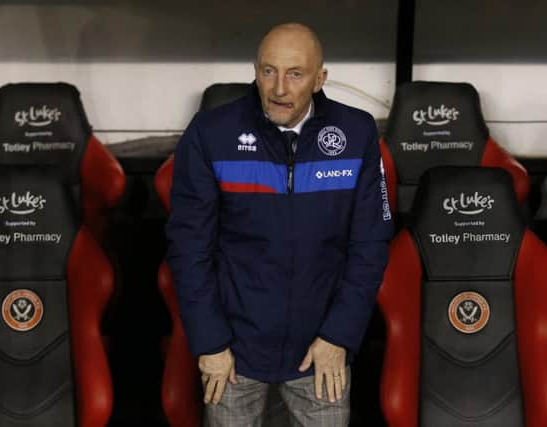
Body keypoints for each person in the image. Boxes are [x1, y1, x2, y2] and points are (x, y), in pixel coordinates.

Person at [166, 22, 393, 426]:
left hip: (320, 352)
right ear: (254, 70)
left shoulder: (356, 134)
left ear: (320, 78)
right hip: (233, 355)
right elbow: (188, 249)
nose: (279, 89)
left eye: (295, 74)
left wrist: (339, 336)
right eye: (268, 71)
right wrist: (210, 342)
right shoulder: (211, 133)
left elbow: (370, 246)